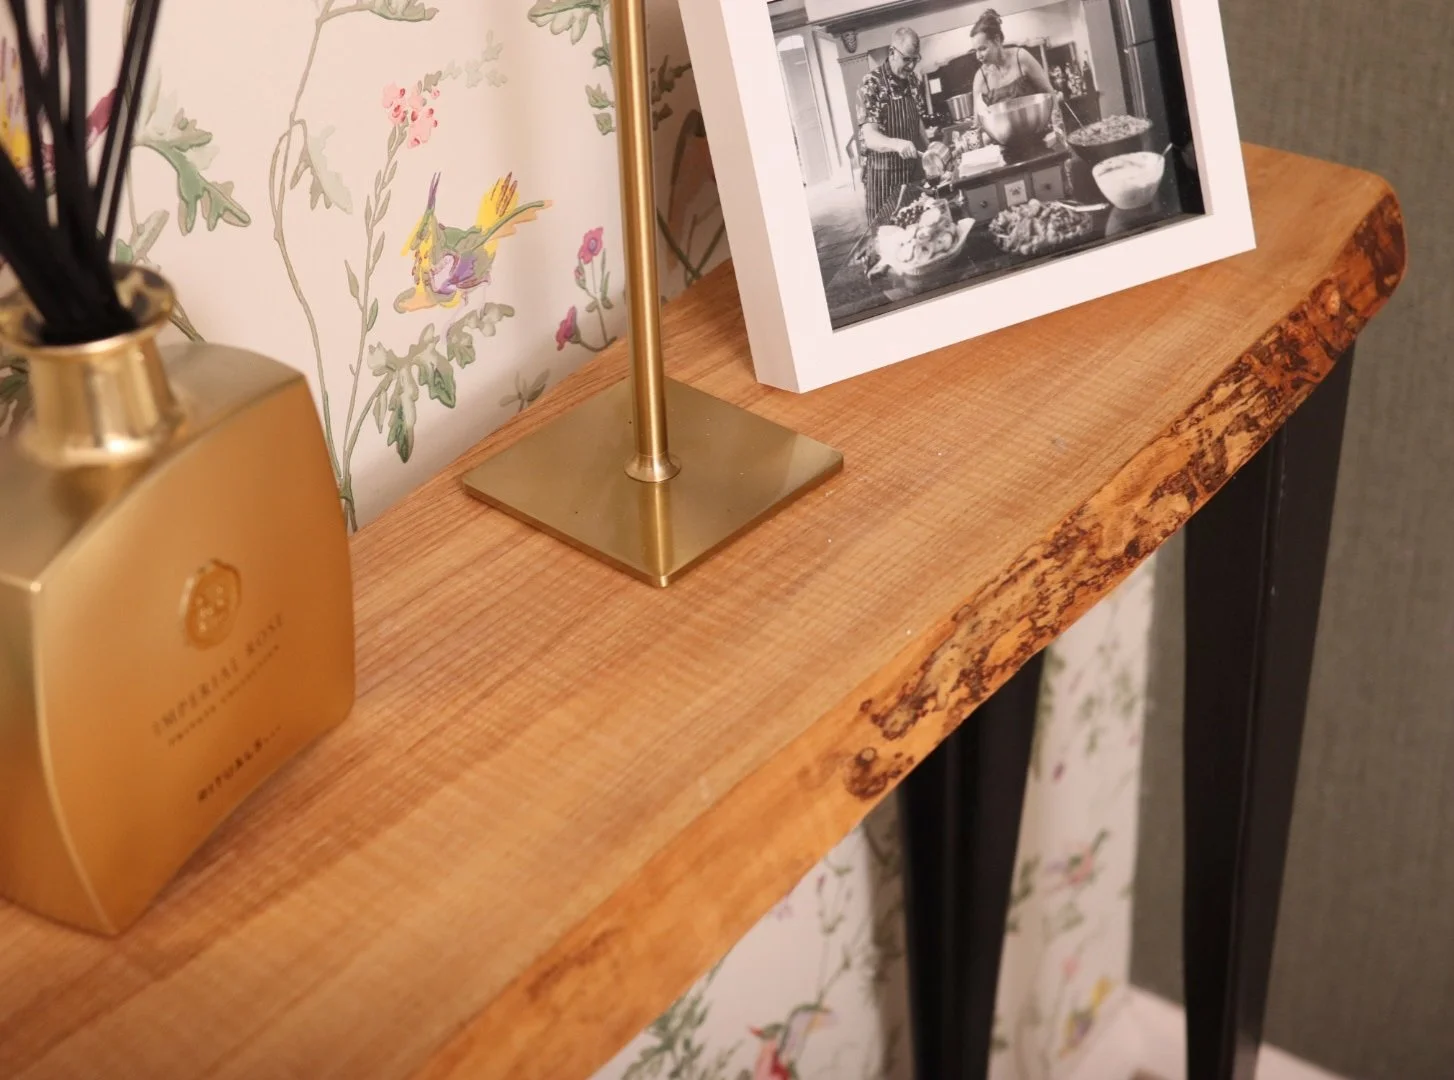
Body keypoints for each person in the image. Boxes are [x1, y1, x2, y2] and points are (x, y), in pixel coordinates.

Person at [855, 27, 940, 226]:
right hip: (882, 179)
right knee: (886, 233)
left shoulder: (913, 81)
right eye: (906, 59)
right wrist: (897, 144)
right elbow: (870, 137)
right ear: (892, 52)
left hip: (911, 175)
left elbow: (917, 122)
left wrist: (931, 155)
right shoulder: (872, 84)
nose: (911, 65)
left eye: (915, 59)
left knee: (916, 229)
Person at [968, 9, 1065, 150]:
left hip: (1041, 138)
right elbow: (977, 122)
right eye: (975, 51)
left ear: (997, 40)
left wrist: (1059, 130)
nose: (978, 56)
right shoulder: (981, 77)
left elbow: (1049, 93)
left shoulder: (1021, 57)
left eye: (982, 49)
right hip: (1005, 148)